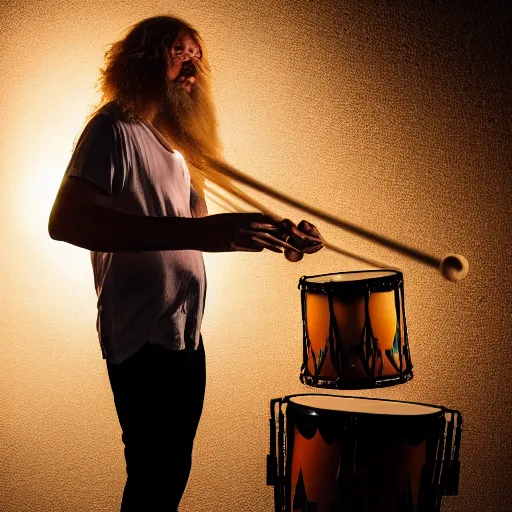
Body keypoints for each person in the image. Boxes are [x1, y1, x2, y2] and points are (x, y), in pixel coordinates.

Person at [48, 15, 322, 511]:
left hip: (185, 336)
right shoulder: (112, 129)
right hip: (139, 337)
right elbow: (65, 222)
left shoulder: (179, 150)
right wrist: (199, 232)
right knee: (155, 477)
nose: (192, 63)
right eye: (178, 51)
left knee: (169, 477)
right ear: (142, 61)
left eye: (198, 54)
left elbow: (190, 232)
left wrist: (276, 232)